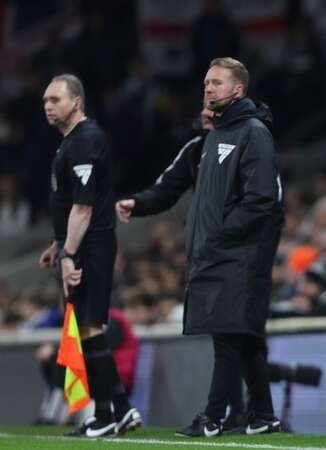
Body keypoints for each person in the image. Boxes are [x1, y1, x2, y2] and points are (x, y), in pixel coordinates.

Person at [118, 57, 284, 437]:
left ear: (238, 89)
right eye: (206, 82)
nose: (207, 88)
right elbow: (172, 188)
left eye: (216, 83)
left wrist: (221, 234)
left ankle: (212, 417)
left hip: (238, 253)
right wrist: (141, 204)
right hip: (220, 251)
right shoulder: (211, 139)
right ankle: (263, 415)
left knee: (228, 335)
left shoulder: (253, 132)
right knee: (243, 337)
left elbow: (262, 200)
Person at [39, 74, 141, 437]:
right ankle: (122, 410)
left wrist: (68, 253)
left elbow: (83, 208)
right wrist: (58, 243)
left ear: (76, 102)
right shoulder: (70, 143)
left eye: (55, 99)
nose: (48, 106)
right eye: (46, 101)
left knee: (91, 327)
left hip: (92, 245)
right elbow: (69, 204)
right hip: (81, 243)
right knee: (87, 329)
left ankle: (104, 414)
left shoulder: (84, 140)